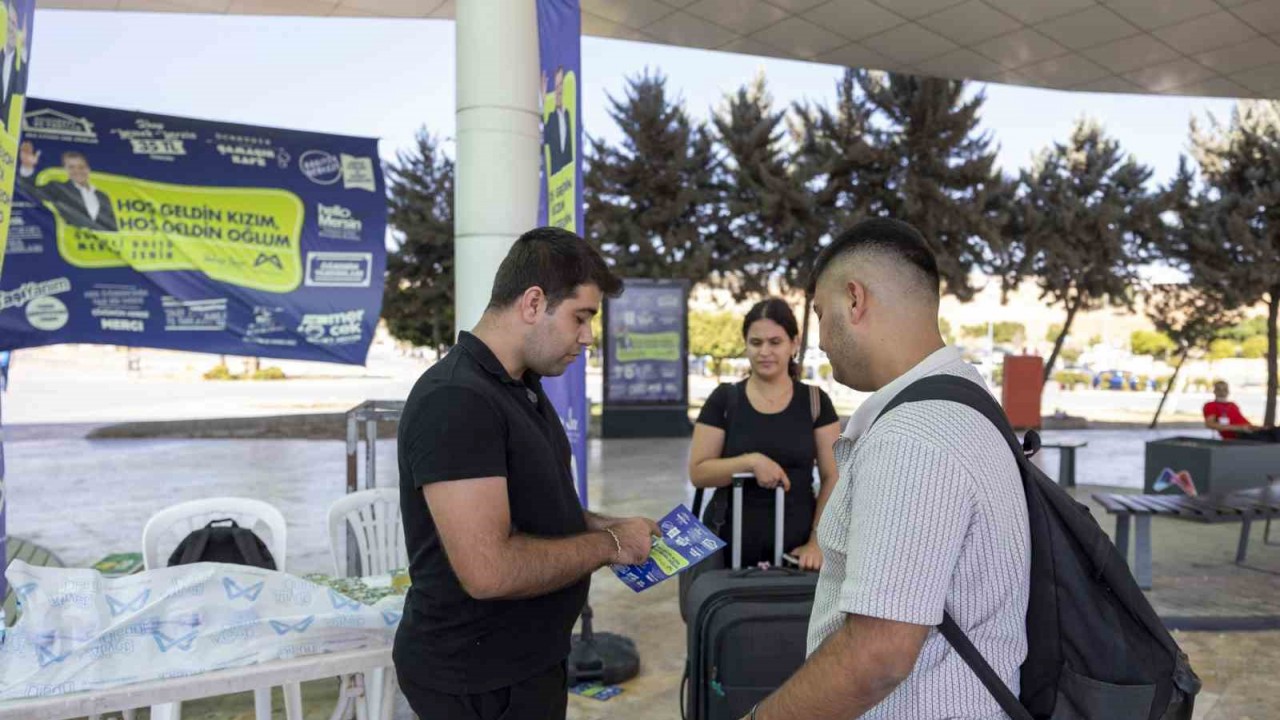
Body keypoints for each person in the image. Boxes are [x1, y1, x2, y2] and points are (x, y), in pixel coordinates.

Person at [746, 218, 1030, 720]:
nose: (820, 340)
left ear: (854, 300)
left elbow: (877, 656)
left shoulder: (913, 434)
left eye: (820, 313)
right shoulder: (964, 396)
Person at [393, 227, 660, 720]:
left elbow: (542, 509)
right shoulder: (457, 400)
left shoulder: (521, 388)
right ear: (534, 303)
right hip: (477, 680)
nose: (588, 337)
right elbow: (488, 570)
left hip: (530, 662)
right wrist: (611, 547)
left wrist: (608, 525)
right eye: (581, 317)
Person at [688, 298, 840, 569]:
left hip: (797, 551)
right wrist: (751, 461)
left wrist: (817, 542)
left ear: (794, 344)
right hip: (727, 548)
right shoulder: (724, 400)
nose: (765, 351)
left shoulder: (816, 402)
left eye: (775, 342)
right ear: (745, 344)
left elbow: (833, 477)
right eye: (756, 343)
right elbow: (699, 473)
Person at [17, 144, 118, 232]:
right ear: (66, 170)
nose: (77, 171)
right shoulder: (58, 189)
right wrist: (27, 167)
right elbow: (30, 190)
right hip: (70, 249)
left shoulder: (103, 196)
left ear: (88, 169)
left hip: (100, 252)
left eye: (81, 167)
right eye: (71, 167)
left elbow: (113, 228)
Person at [1204, 380, 1279, 442]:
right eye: (1219, 389)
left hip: (1250, 431)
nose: (1222, 392)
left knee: (1274, 431)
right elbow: (1210, 424)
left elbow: (1241, 420)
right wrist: (1239, 428)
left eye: (1225, 389)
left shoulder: (1232, 405)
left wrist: (1257, 427)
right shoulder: (1211, 405)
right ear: (1214, 391)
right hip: (1239, 434)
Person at [540, 66, 574, 176]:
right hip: (555, 181)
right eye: (556, 86)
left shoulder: (569, 115)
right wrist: (542, 103)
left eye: (561, 86)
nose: (559, 91)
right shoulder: (551, 117)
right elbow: (543, 138)